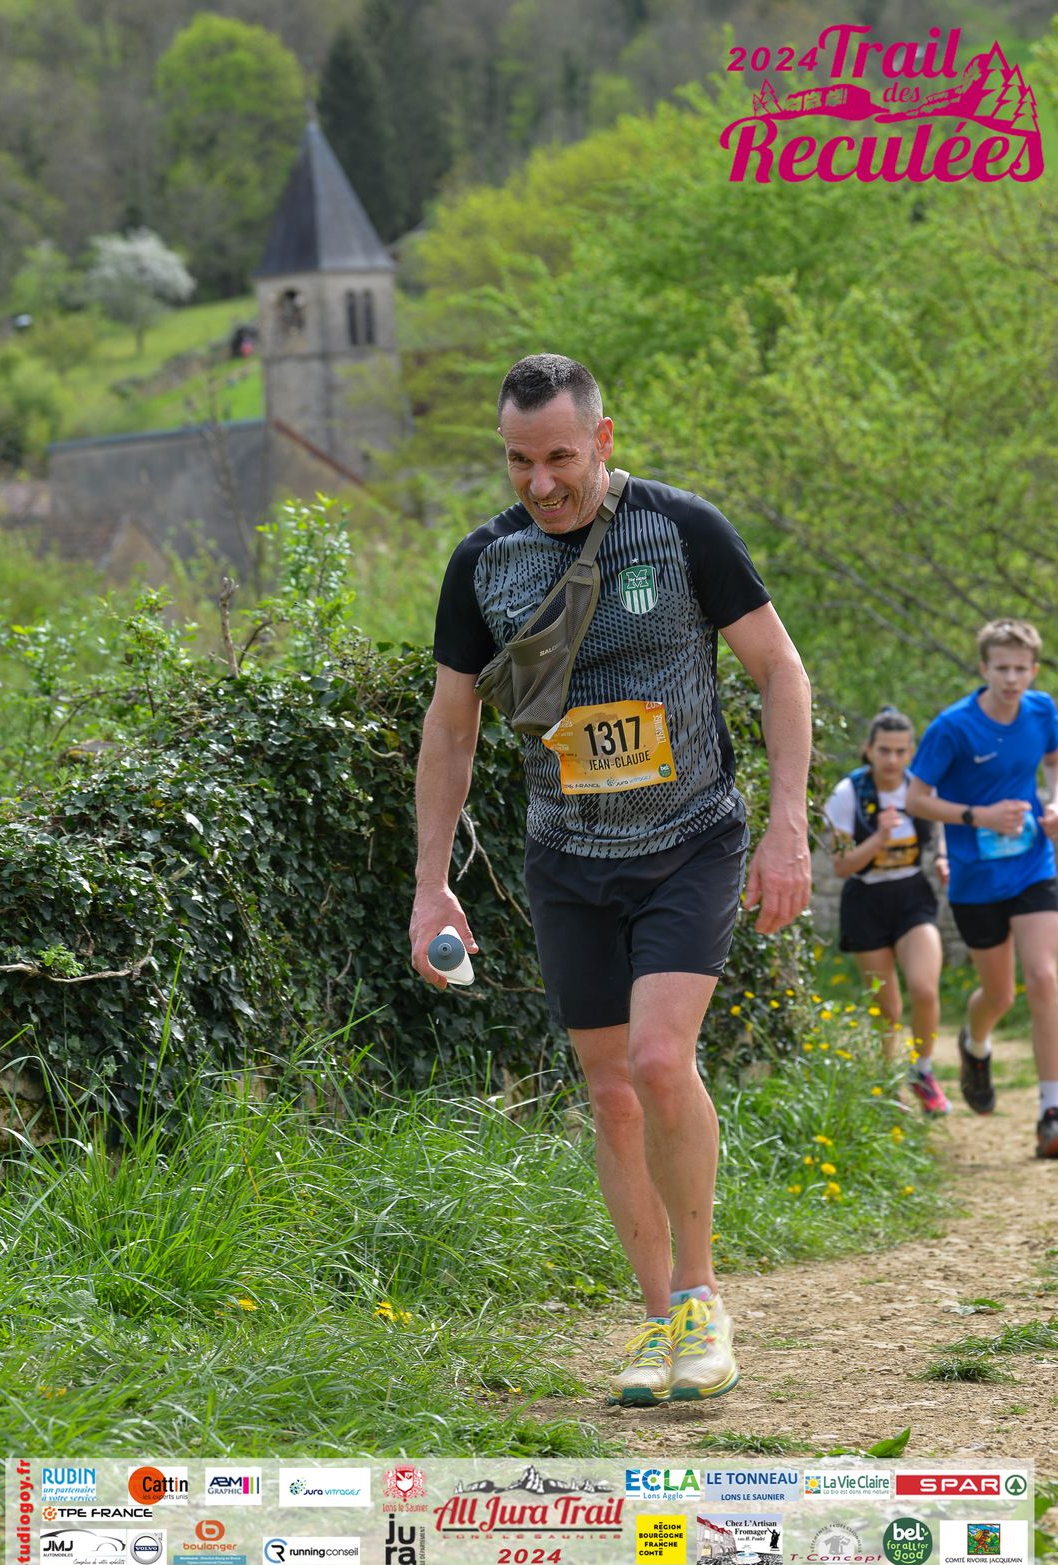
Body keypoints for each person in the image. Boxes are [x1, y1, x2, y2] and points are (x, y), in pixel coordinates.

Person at [409, 353, 812, 1405]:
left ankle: (701, 1299)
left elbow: (778, 668)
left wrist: (786, 828)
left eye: (557, 457)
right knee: (610, 1093)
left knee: (658, 1059)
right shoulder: (483, 563)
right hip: (567, 858)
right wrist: (430, 882)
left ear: (601, 439)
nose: (539, 481)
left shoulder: (680, 529)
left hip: (689, 839)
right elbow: (450, 727)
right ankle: (654, 1319)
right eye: (517, 460)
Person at [905, 619, 1058, 1158]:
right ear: (983, 668)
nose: (1012, 679)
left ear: (1033, 670)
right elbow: (917, 799)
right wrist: (980, 816)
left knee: (1045, 977)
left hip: (1034, 864)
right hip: (975, 878)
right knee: (999, 995)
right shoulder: (953, 727)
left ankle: (1051, 1112)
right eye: (1002, 668)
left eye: (1020, 669)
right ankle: (975, 1045)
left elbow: (1054, 762)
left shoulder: (1043, 710)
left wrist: (1054, 803)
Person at [824, 707, 950, 1114]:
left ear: (911, 752)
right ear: (868, 750)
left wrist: (943, 858)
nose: (892, 760)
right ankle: (885, 1084)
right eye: (884, 751)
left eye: (900, 751)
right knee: (888, 1008)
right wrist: (879, 837)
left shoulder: (921, 788)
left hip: (912, 894)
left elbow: (941, 830)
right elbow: (841, 865)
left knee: (924, 988)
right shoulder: (848, 793)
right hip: (866, 900)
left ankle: (923, 1073)